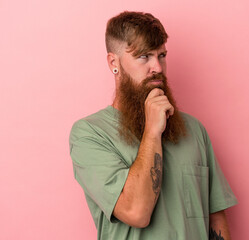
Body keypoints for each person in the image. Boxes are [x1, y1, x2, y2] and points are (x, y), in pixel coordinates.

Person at [69, 11, 238, 240]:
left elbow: (216, 218)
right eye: (144, 56)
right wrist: (152, 130)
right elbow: (136, 213)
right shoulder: (90, 135)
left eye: (162, 55)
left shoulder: (194, 130)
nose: (157, 67)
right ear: (114, 63)